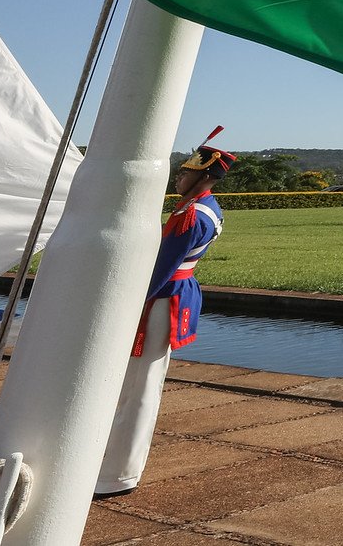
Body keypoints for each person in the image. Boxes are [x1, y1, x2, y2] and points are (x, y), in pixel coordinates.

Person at [94, 127, 235, 498]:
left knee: (139, 387)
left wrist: (124, 303)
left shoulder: (194, 215)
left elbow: (160, 269)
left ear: (205, 176)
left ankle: (117, 473)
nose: (179, 176)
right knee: (135, 384)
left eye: (187, 172)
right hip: (167, 295)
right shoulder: (194, 207)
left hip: (161, 299)